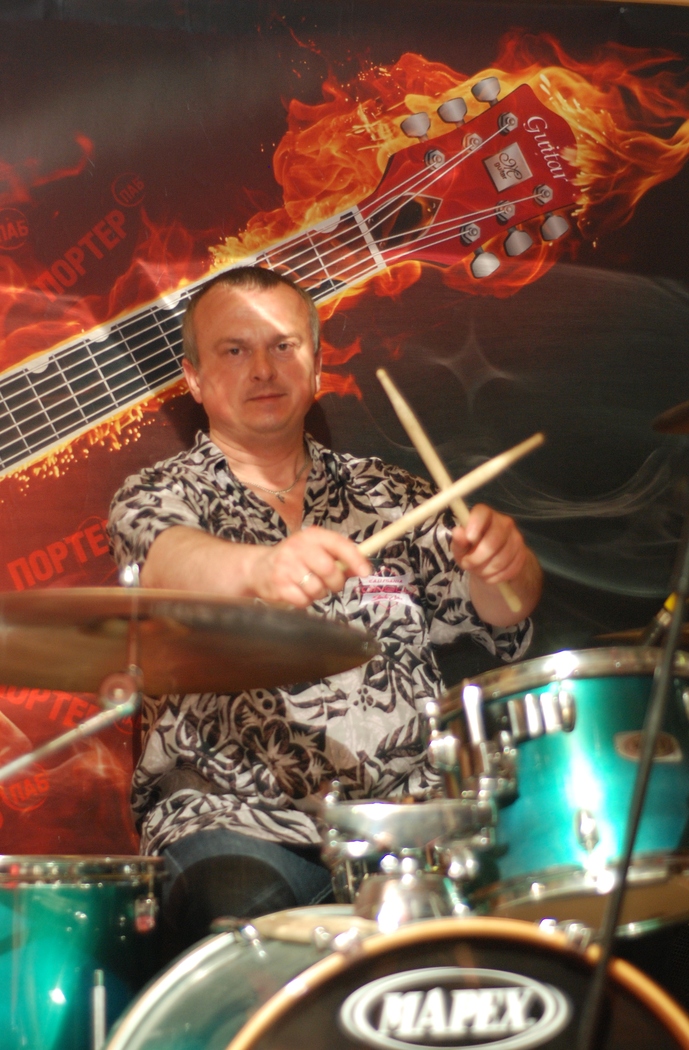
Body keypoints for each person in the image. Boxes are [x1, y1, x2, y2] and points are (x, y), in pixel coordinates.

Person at [108, 265, 542, 948]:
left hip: (407, 821)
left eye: (283, 346)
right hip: (233, 817)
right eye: (234, 350)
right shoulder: (156, 495)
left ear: (315, 369)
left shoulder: (391, 495)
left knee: (513, 932)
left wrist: (506, 566)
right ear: (193, 378)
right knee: (237, 915)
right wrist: (259, 567)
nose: (263, 368)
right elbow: (168, 561)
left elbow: (503, 612)